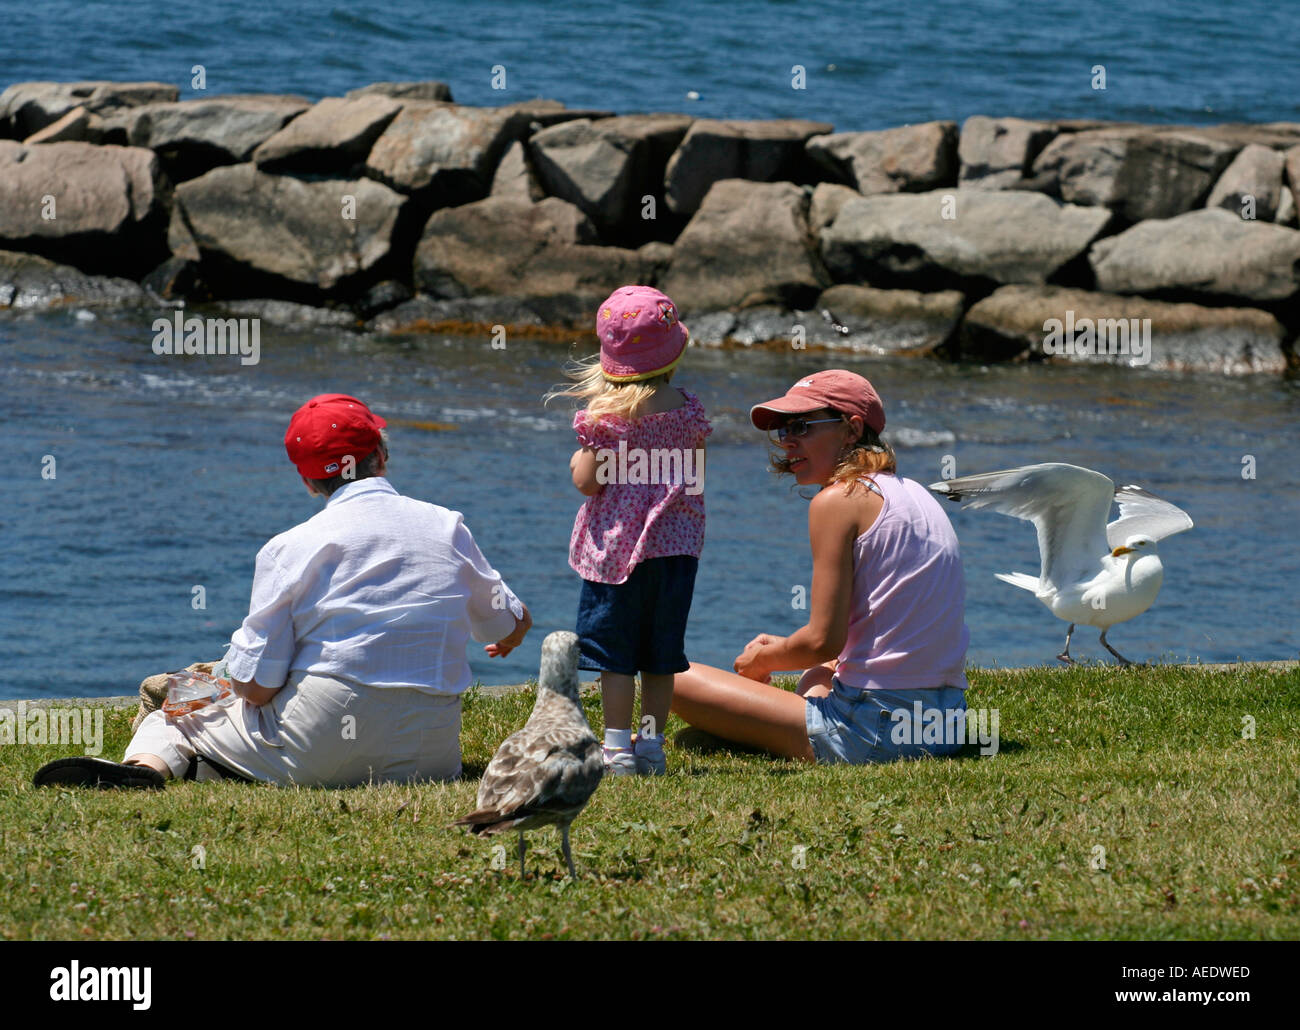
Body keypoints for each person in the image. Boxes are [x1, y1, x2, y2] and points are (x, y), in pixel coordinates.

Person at [34, 393, 531, 789]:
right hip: (430, 755)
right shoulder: (445, 526)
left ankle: (146, 769)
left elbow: (257, 687)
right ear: (381, 454)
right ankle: (210, 767)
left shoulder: (291, 546)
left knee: (181, 704)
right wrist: (507, 636)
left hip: (323, 744)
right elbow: (510, 621)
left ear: (308, 481)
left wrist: (223, 680)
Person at [670, 370, 969, 764]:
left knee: (670, 677)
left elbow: (822, 641)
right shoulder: (914, 493)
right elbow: (849, 641)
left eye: (802, 426)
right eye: (782, 430)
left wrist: (763, 660)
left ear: (851, 429)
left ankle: (754, 733)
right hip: (946, 724)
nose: (788, 440)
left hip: (876, 729)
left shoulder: (837, 501)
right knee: (819, 674)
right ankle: (756, 731)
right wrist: (782, 647)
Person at [548, 285, 711, 776]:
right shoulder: (689, 411)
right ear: (674, 354)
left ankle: (617, 749)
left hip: (616, 554)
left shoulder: (606, 419)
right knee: (661, 656)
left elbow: (586, 482)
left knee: (615, 658)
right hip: (676, 549)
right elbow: (696, 475)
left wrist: (585, 453)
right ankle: (651, 747)